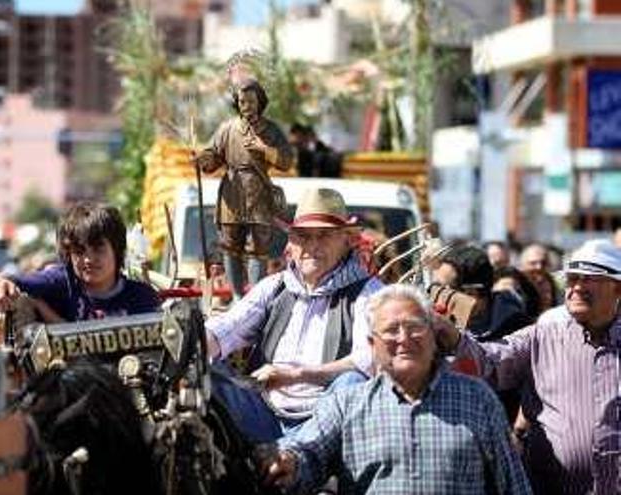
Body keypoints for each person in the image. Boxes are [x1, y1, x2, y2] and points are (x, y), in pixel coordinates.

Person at [266, 284, 531, 495]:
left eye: (415, 327)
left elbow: (512, 483)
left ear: (432, 335)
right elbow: (309, 453)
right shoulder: (347, 404)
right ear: (372, 344)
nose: (404, 339)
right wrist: (290, 462)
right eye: (391, 330)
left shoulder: (477, 399)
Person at [440, 239, 621, 494]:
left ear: (618, 289)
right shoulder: (543, 334)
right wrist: (452, 337)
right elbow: (488, 361)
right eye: (572, 279)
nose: (576, 288)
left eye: (589, 279)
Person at [205, 187, 382, 443]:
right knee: (205, 372)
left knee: (352, 383)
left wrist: (298, 374)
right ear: (291, 242)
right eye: (302, 236)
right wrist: (197, 342)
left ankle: (290, 455)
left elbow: (369, 361)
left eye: (324, 236)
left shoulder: (369, 293)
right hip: (264, 413)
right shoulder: (275, 286)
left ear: (347, 241)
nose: (312, 246)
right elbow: (227, 328)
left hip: (327, 422)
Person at [194, 78, 293, 299]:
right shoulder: (227, 129)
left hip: (258, 192)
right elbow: (213, 158)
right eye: (241, 102)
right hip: (232, 191)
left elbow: (286, 161)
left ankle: (255, 297)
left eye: (250, 101)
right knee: (230, 244)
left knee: (258, 245)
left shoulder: (271, 130)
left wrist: (264, 148)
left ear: (260, 102)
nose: (246, 106)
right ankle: (238, 296)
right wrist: (203, 159)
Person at [0, 202, 160, 321]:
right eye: (79, 251)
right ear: (68, 254)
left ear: (117, 249)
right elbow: (12, 280)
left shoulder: (142, 296)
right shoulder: (59, 282)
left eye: (98, 248)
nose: (88, 259)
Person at [518, 242, 561, 313]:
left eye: (543, 262)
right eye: (533, 263)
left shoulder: (555, 284)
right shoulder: (514, 285)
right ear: (522, 265)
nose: (539, 267)